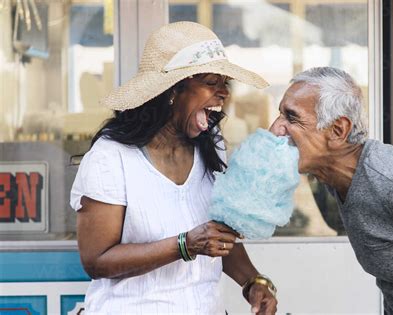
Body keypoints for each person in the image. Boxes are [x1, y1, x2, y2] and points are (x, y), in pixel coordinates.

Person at [70, 21, 277, 315]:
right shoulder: (111, 157)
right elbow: (96, 260)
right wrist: (184, 245)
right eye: (210, 82)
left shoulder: (211, 145)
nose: (223, 94)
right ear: (173, 91)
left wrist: (252, 281)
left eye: (224, 84)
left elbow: (213, 238)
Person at [269, 66, 393, 314]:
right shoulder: (333, 176)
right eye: (280, 115)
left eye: (292, 118)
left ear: (338, 130)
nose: (275, 129)